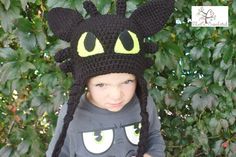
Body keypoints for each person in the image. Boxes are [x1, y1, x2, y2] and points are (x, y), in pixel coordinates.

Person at [46, 0, 174, 156]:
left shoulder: (144, 104)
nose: (116, 95)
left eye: (127, 81)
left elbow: (153, 136)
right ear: (84, 81)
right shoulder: (72, 114)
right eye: (101, 85)